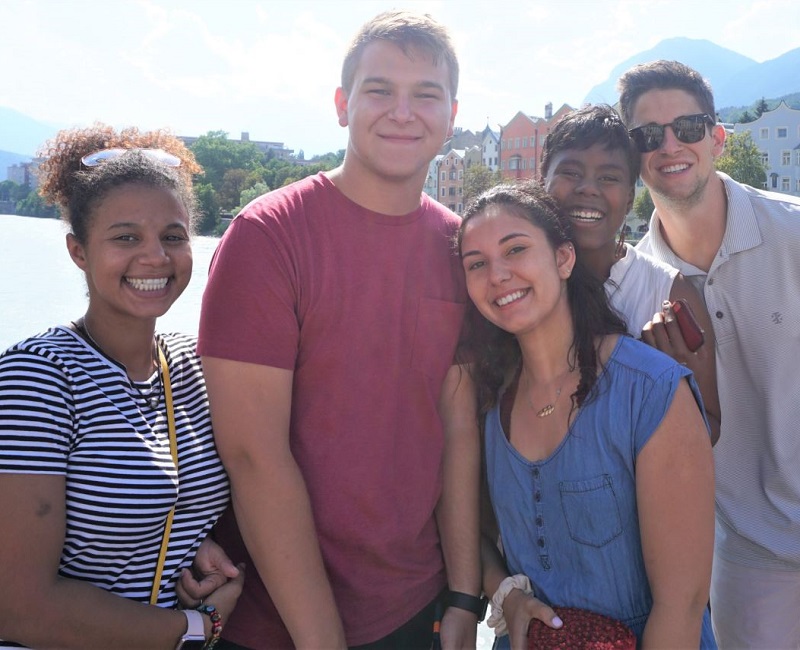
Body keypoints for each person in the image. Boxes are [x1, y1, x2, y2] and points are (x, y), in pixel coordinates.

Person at [197, 10, 480, 650]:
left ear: (452, 114)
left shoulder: (462, 249)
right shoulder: (268, 237)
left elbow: (456, 429)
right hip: (276, 624)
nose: (402, 112)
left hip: (418, 605)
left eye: (426, 95)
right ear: (341, 104)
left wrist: (464, 594)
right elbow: (252, 456)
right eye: (380, 90)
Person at [0, 124, 243, 649]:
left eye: (173, 237)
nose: (155, 257)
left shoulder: (189, 364)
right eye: (125, 237)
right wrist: (195, 630)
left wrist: (190, 539)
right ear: (78, 251)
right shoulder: (37, 378)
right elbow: (16, 607)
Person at [456, 181, 717, 648]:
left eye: (515, 249)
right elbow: (468, 531)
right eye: (476, 263)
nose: (497, 274)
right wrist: (506, 594)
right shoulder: (490, 400)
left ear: (563, 259)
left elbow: (682, 603)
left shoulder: (652, 391)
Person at [618, 59, 800, 648]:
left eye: (688, 127)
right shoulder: (636, 291)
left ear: (718, 138)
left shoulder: (792, 233)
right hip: (750, 556)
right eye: (648, 135)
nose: (669, 145)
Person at [540, 104, 720, 443]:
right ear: (541, 182)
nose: (588, 188)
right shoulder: (516, 280)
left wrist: (664, 387)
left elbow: (710, 427)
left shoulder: (667, 293)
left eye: (608, 177)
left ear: (629, 198)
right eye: (571, 173)